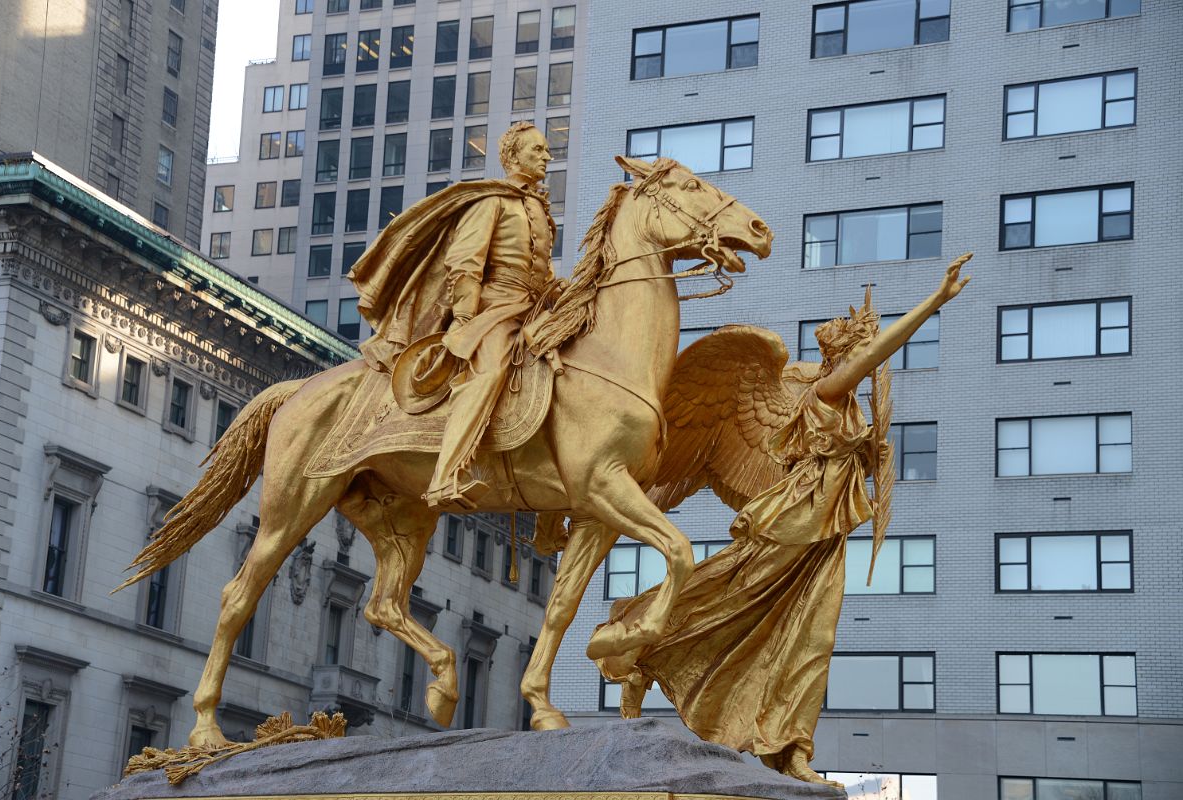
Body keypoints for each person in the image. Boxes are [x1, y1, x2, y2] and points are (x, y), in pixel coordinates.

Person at [595, 259, 970, 786]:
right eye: (856, 347)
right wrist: (934, 302)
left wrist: (867, 453)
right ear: (843, 357)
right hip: (794, 523)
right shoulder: (826, 392)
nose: (863, 351)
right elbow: (876, 354)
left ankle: (789, 748)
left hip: (826, 537)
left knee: (808, 642)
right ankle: (637, 649)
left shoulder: (845, 405)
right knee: (721, 597)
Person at [347, 121, 557, 510]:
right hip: (495, 309)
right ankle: (446, 475)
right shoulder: (490, 201)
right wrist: (464, 318)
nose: (547, 156)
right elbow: (466, 263)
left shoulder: (541, 210)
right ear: (512, 156)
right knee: (489, 372)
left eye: (546, 150)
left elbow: (541, 270)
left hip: (534, 309)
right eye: (538, 150)